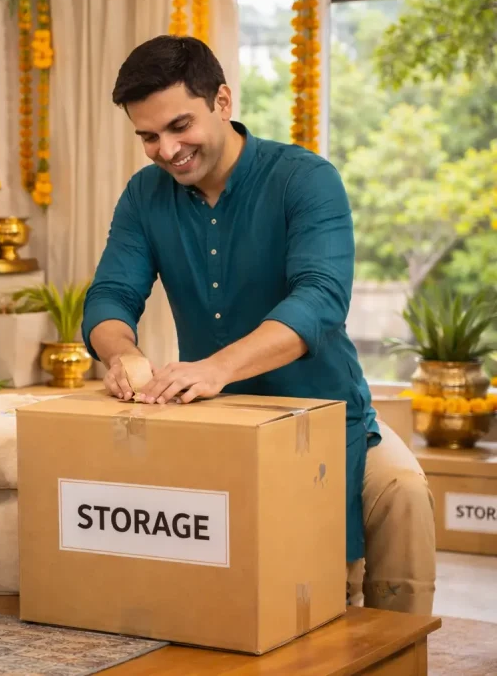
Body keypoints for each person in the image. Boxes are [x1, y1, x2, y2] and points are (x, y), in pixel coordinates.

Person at [83, 35, 436, 615]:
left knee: (377, 526)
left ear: (222, 101)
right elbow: (111, 295)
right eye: (148, 136)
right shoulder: (144, 195)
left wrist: (219, 368)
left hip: (323, 415)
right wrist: (121, 353)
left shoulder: (305, 179)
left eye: (179, 126)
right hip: (212, 424)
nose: (166, 150)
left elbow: (320, 299)